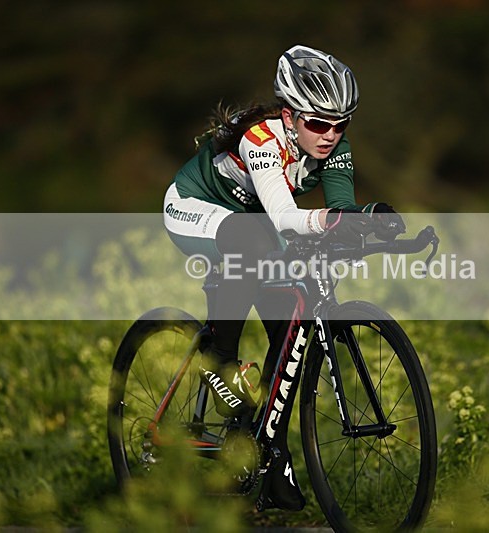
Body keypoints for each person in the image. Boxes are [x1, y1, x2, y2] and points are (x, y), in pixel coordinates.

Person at [163, 45, 404, 420]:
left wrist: (369, 217)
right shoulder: (261, 140)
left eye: (340, 125)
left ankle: (262, 452)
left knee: (288, 329)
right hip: (195, 206)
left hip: (251, 220)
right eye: (319, 124)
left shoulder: (334, 148)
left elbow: (339, 210)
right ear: (290, 117)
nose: (330, 136)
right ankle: (218, 361)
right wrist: (331, 221)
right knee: (251, 241)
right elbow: (283, 217)